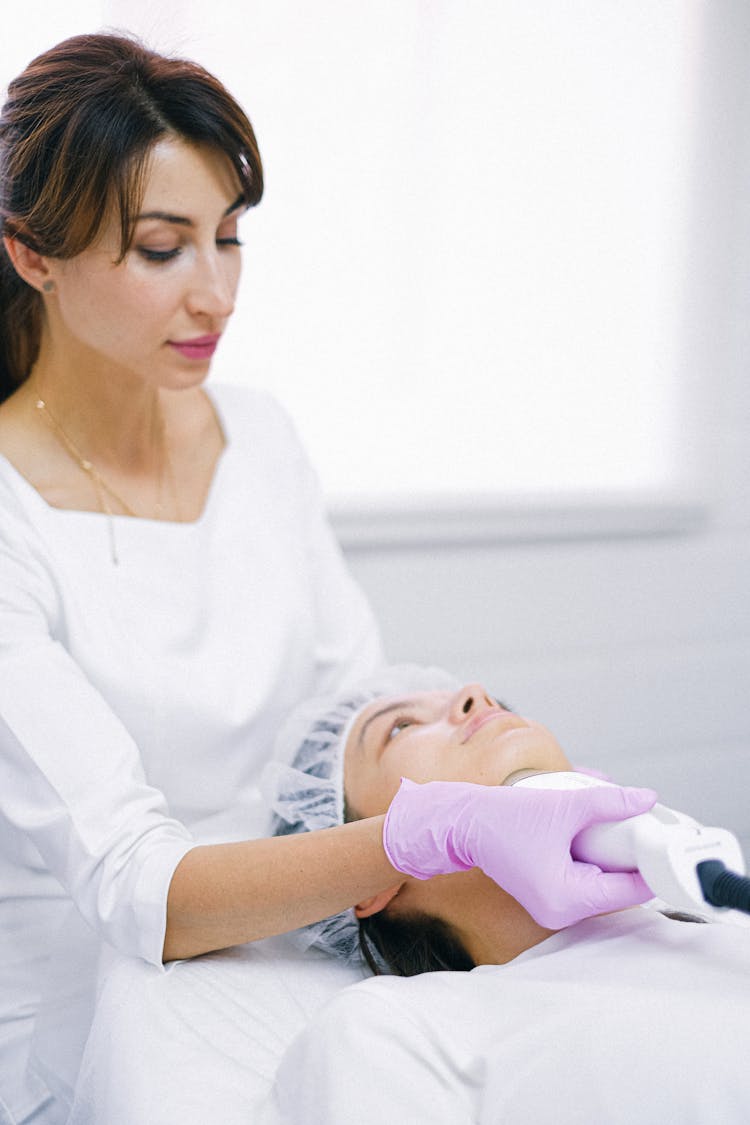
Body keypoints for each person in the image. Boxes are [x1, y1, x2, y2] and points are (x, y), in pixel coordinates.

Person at [0, 34, 657, 1123]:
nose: (215, 293)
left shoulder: (257, 440)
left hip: (299, 947)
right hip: (72, 1017)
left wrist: (485, 762)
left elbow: (352, 701)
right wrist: (419, 837)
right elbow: (132, 885)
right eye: (163, 249)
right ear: (32, 255)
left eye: (230, 237)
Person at [263, 668, 750, 1124]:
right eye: (399, 728)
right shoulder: (397, 1030)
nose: (476, 694)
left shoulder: (724, 918)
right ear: (361, 880)